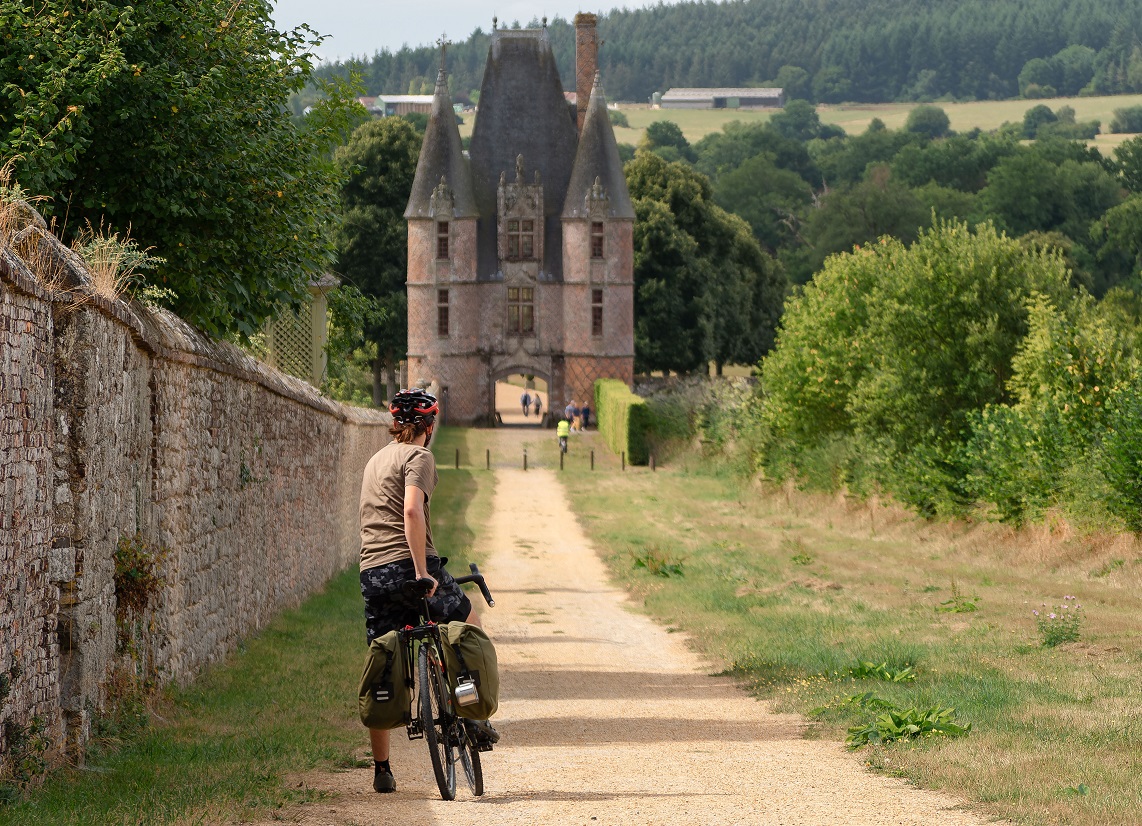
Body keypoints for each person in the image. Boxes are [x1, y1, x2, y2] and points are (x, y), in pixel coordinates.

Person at [358, 388, 484, 794]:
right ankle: (472, 712)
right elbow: (412, 510)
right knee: (468, 622)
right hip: (411, 564)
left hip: (373, 572)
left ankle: (382, 770)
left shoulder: (375, 460)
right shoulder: (420, 456)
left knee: (383, 661)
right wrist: (420, 572)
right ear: (428, 428)